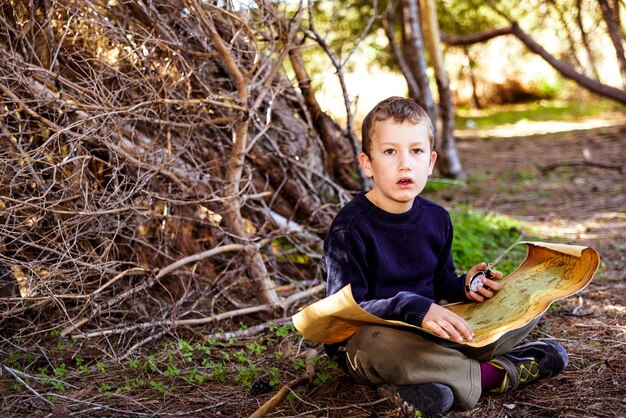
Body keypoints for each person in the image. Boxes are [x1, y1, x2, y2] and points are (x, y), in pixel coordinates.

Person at [322, 96, 568, 417]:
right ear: (367, 163)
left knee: (525, 299)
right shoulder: (350, 228)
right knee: (380, 345)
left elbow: (440, 283)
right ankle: (493, 374)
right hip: (373, 339)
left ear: (431, 161)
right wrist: (409, 306)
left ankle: (433, 385)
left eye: (416, 151)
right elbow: (345, 312)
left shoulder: (437, 218)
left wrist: (465, 287)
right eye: (389, 152)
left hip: (430, 336)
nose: (404, 164)